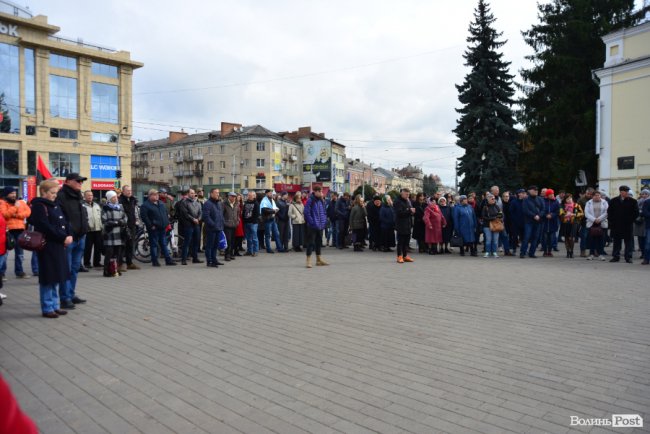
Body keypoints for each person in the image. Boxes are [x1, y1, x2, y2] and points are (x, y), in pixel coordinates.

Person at [29, 180, 73, 318]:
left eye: (56, 192)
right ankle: (47, 307)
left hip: (58, 245)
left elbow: (65, 222)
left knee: (57, 276)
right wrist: (62, 237)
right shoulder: (39, 206)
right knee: (48, 277)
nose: (55, 195)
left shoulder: (54, 205)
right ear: (43, 192)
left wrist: (69, 235)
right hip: (48, 246)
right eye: (52, 193)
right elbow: (45, 226)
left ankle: (55, 305)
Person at [56, 173, 89, 308]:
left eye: (82, 181)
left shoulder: (78, 195)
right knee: (66, 269)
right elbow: (60, 218)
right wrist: (66, 234)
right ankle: (64, 298)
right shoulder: (61, 196)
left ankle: (71, 294)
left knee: (75, 268)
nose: (80, 183)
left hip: (81, 236)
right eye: (78, 181)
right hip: (69, 238)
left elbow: (82, 214)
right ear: (68, 181)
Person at [0, 186, 31, 278]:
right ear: (6, 194)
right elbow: (4, 215)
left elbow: (28, 212)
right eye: (11, 193)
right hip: (8, 231)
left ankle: (19, 272)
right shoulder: (2, 202)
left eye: (14, 193)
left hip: (20, 230)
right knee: (5, 253)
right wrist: (14, 208)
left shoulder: (21, 202)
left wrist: (16, 215)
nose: (14, 195)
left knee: (20, 253)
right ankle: (2, 273)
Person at [140, 189, 177, 267]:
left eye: (157, 194)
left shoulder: (161, 203)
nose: (157, 196)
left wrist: (167, 222)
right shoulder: (145, 205)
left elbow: (166, 213)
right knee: (154, 245)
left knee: (164, 244)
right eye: (154, 194)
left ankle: (168, 260)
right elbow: (144, 217)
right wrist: (151, 226)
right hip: (154, 228)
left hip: (163, 227)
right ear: (150, 196)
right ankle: (155, 261)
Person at [607, 185, 639, 263]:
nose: (627, 193)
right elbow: (609, 212)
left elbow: (636, 213)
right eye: (626, 191)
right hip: (616, 225)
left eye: (628, 191)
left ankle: (628, 257)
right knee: (616, 241)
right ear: (621, 192)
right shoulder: (614, 200)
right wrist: (612, 221)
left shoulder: (633, 201)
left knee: (628, 242)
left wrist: (630, 220)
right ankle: (616, 256)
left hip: (627, 225)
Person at [101, 191, 127, 277]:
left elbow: (125, 217)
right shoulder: (105, 207)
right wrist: (116, 222)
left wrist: (122, 222)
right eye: (113, 197)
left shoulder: (120, 206)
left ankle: (116, 269)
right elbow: (104, 220)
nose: (115, 199)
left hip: (119, 233)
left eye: (116, 197)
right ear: (109, 198)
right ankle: (106, 271)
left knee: (118, 254)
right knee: (109, 253)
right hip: (110, 233)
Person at [304, 185, 329, 268]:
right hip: (313, 226)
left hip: (320, 226)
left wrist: (324, 221)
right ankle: (308, 261)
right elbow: (306, 212)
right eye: (321, 191)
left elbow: (324, 211)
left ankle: (318, 260)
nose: (322, 193)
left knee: (319, 243)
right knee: (310, 243)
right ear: (316, 191)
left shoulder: (321, 200)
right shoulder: (310, 200)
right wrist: (312, 222)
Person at [177, 188, 203, 265]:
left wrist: (198, 219)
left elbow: (201, 212)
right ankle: (184, 259)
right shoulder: (184, 203)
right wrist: (193, 219)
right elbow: (185, 214)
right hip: (188, 225)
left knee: (196, 242)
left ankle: (195, 258)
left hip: (196, 225)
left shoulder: (198, 203)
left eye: (194, 193)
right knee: (187, 242)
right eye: (191, 193)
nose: (193, 194)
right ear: (188, 194)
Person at [118, 185, 140, 270]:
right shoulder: (120, 200)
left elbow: (135, 211)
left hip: (132, 226)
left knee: (130, 245)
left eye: (130, 190)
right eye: (127, 190)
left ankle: (129, 262)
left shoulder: (133, 200)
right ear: (123, 191)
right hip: (123, 226)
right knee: (122, 245)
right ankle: (120, 263)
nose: (129, 192)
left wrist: (137, 221)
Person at [202, 188, 225, 268]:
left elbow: (221, 215)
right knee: (209, 246)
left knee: (215, 246)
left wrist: (222, 223)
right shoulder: (207, 203)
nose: (218, 194)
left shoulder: (218, 203)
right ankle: (209, 261)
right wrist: (213, 224)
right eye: (216, 193)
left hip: (218, 228)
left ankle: (214, 259)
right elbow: (206, 216)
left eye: (218, 193)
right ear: (211, 194)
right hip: (211, 229)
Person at [520, 185, 544, 258]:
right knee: (527, 237)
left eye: (537, 190)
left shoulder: (540, 199)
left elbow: (544, 209)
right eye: (534, 190)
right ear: (529, 191)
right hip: (529, 222)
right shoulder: (526, 200)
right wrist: (534, 215)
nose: (536, 191)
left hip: (538, 221)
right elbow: (525, 210)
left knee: (535, 238)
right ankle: (523, 253)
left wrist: (539, 215)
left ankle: (532, 253)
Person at [584, 190, 608, 261]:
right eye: (595, 195)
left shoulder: (604, 202)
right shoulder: (588, 203)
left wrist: (599, 219)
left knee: (601, 240)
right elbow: (586, 213)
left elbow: (607, 212)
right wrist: (594, 219)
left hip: (601, 222)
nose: (597, 196)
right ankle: (591, 254)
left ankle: (601, 254)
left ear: (600, 196)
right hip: (592, 223)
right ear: (592, 196)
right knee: (591, 240)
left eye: (598, 195)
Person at [82, 190, 103, 270]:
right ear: (85, 197)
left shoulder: (97, 205)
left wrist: (102, 227)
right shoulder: (83, 206)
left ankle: (97, 262)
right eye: (88, 195)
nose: (90, 197)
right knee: (88, 247)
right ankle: (87, 263)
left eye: (91, 195)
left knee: (98, 247)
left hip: (98, 229)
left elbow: (100, 217)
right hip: (88, 230)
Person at [393, 188, 415, 263]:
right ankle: (399, 256)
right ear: (402, 193)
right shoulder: (397, 201)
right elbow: (399, 213)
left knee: (406, 241)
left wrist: (411, 211)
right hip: (401, 224)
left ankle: (405, 256)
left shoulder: (408, 201)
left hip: (408, 224)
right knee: (401, 241)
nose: (407, 196)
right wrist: (409, 211)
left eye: (408, 194)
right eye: (406, 194)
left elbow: (409, 211)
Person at [559, 194, 583, 258]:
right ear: (565, 200)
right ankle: (568, 252)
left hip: (573, 223)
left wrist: (574, 214)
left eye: (570, 198)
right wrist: (564, 216)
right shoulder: (562, 206)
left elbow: (582, 213)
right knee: (566, 238)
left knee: (571, 238)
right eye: (567, 199)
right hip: (565, 223)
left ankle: (571, 251)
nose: (569, 200)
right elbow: (560, 214)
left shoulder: (576, 205)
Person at [481, 193, 502, 258]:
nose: (493, 199)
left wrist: (498, 217)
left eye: (493, 198)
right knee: (488, 240)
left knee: (495, 240)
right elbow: (483, 217)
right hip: (487, 226)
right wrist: (493, 218)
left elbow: (501, 214)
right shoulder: (485, 207)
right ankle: (487, 252)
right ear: (488, 200)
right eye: (491, 198)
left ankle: (494, 252)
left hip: (496, 225)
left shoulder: (497, 206)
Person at [540, 189, 560, 257]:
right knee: (544, 239)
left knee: (552, 239)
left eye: (553, 194)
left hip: (553, 222)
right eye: (551, 194)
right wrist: (545, 215)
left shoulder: (556, 202)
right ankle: (545, 251)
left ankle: (550, 251)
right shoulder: (543, 201)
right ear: (547, 195)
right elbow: (541, 210)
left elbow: (558, 211)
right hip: (544, 222)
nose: (552, 195)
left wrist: (552, 215)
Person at [222, 192, 240, 261]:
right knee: (228, 241)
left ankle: (231, 254)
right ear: (229, 196)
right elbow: (221, 214)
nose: (233, 198)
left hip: (234, 225)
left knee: (233, 241)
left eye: (234, 196)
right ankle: (227, 255)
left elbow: (238, 213)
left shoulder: (237, 203)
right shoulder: (224, 203)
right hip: (227, 225)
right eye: (232, 196)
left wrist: (237, 221)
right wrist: (224, 222)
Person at [577, 187, 595, 257]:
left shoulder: (594, 200)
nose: (589, 195)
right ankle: (583, 251)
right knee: (584, 236)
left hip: (594, 220)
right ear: (586, 193)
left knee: (594, 236)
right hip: (584, 220)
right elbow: (578, 210)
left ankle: (594, 251)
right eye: (588, 194)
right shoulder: (581, 200)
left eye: (591, 194)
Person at [242, 191, 260, 256]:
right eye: (248, 195)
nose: (249, 196)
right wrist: (244, 220)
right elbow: (244, 212)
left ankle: (255, 251)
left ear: (254, 196)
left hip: (253, 223)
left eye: (250, 195)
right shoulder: (246, 203)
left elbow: (257, 214)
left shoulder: (256, 203)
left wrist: (252, 221)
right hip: (246, 223)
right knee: (248, 238)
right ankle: (249, 251)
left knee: (254, 238)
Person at [633, 189, 648, 260]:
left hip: (646, 222)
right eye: (643, 194)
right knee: (640, 238)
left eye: (646, 194)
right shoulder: (638, 201)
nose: (644, 195)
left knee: (646, 238)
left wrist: (642, 212)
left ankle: (646, 253)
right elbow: (635, 210)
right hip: (639, 222)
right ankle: (642, 252)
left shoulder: (648, 202)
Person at [641, 190, 650, 265]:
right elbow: (644, 212)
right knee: (648, 243)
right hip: (649, 226)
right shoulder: (647, 202)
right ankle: (646, 259)